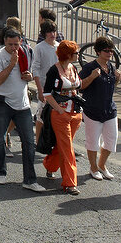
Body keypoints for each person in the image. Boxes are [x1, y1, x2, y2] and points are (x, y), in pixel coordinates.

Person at [0, 28, 46, 192]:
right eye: (10, 44)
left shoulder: (26, 52)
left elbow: (30, 74)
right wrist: (12, 64)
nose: (14, 48)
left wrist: (29, 76)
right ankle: (0, 171)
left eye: (16, 44)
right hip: (3, 103)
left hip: (22, 104)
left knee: (28, 143)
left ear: (21, 41)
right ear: (4, 41)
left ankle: (29, 179)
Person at [41, 40, 83, 194]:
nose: (78, 55)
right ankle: (70, 183)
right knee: (68, 149)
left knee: (63, 145)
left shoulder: (74, 68)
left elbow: (79, 86)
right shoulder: (54, 71)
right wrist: (59, 110)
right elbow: (46, 94)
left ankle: (50, 165)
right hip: (60, 115)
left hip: (76, 114)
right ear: (68, 54)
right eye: (76, 53)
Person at [79, 36, 117, 181]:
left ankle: (102, 165)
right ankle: (93, 168)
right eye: (106, 51)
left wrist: (117, 78)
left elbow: (110, 86)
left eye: (111, 51)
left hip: (109, 110)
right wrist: (92, 77)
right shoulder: (89, 68)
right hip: (93, 110)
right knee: (93, 141)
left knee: (111, 139)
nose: (109, 53)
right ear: (98, 52)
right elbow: (80, 86)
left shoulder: (111, 67)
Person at [31, 20, 59, 141]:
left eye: (53, 31)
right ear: (44, 34)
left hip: (58, 87)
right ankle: (38, 141)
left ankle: (57, 142)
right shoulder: (39, 48)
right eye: (49, 32)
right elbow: (35, 69)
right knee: (42, 115)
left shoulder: (59, 46)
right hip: (44, 86)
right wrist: (40, 89)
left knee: (57, 115)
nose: (52, 34)